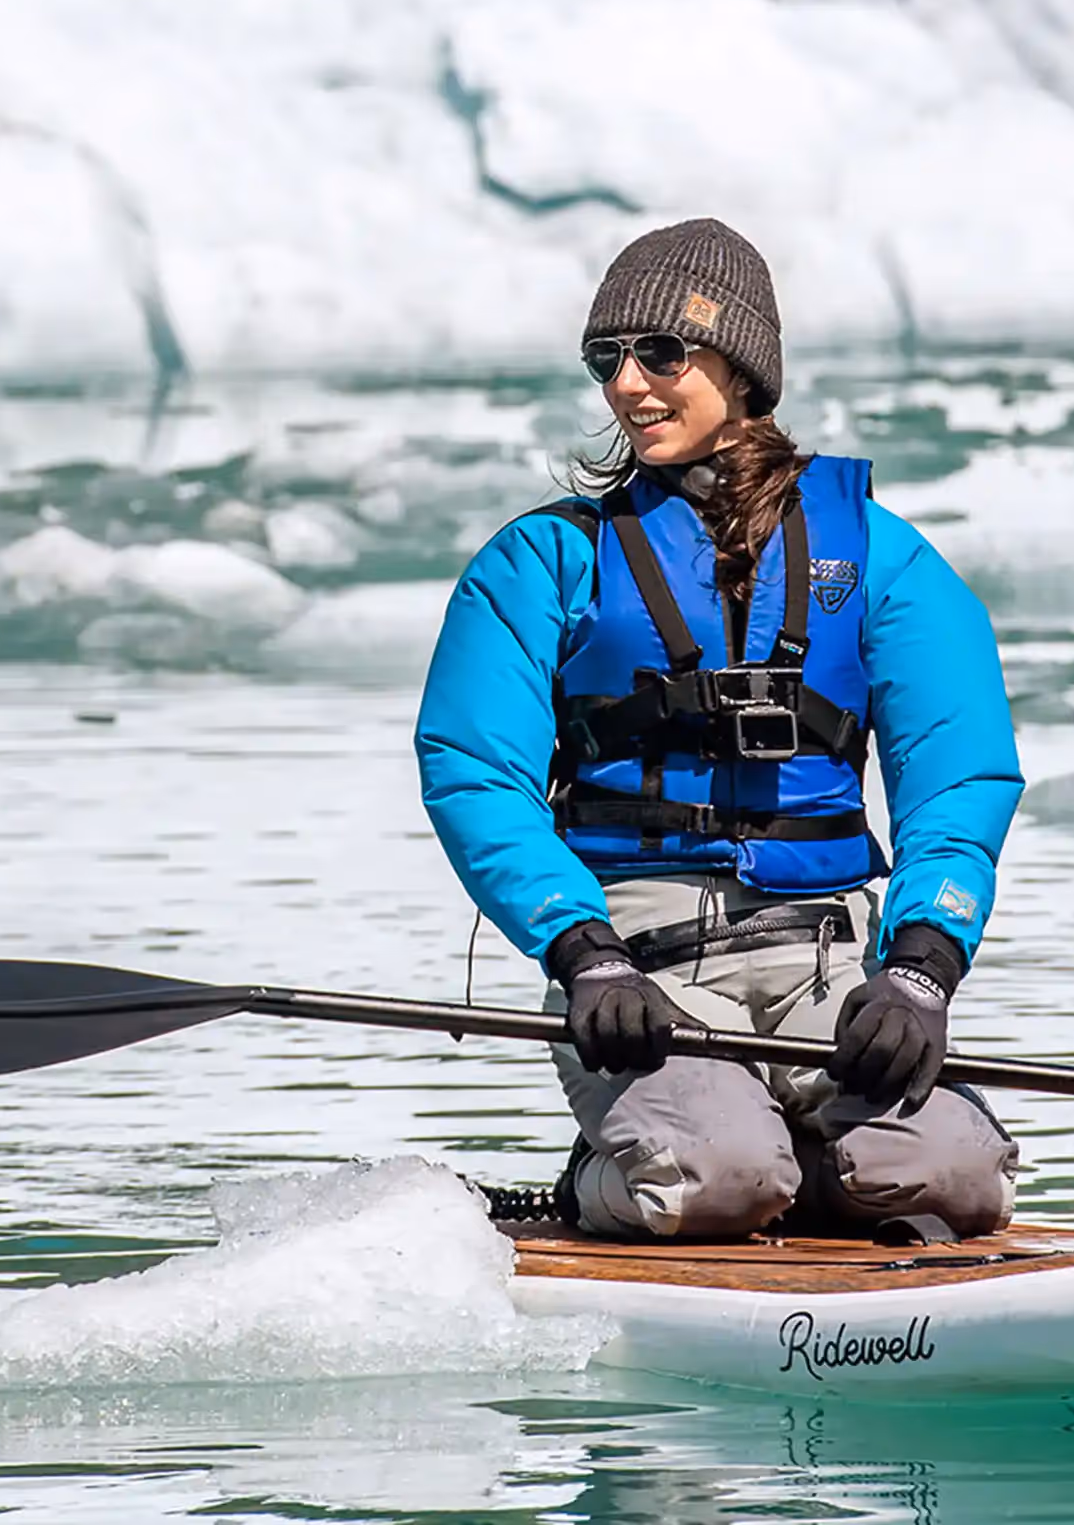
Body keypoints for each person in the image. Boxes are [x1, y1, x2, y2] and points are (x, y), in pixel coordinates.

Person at [415, 218, 1024, 1241]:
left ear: (741, 368)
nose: (628, 386)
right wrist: (582, 951)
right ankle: (603, 1183)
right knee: (717, 1181)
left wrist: (923, 962)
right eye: (606, 360)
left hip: (826, 960)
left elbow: (959, 778)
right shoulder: (541, 561)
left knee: (959, 1181)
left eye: (661, 353)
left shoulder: (882, 557)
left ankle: (807, 1164)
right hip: (637, 971)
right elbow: (475, 771)